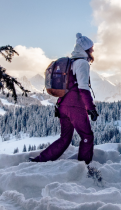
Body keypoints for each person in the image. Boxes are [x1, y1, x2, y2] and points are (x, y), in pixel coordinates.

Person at [30, 33, 98, 165]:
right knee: (87, 136)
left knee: (65, 138)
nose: (93, 50)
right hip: (75, 107)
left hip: (62, 105)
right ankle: (84, 166)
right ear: (85, 50)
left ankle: (40, 160)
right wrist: (91, 108)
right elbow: (83, 88)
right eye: (91, 48)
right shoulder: (82, 63)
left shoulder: (71, 63)